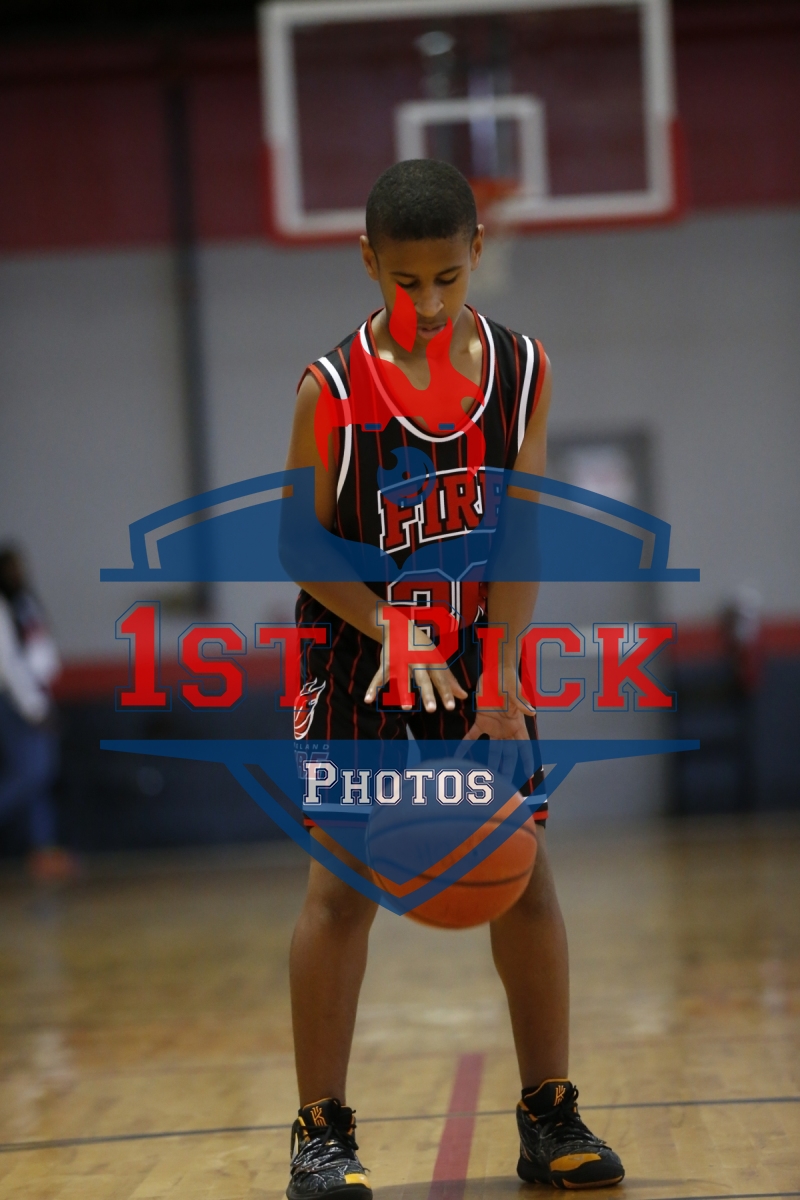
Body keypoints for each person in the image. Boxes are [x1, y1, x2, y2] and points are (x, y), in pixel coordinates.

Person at [282, 161, 624, 1196]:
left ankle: (548, 1113)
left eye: (445, 277)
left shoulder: (522, 369)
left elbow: (520, 532)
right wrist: (389, 626)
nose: (427, 301)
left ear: (478, 251)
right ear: (367, 262)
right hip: (356, 646)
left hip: (475, 651)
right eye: (405, 280)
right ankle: (320, 1133)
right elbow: (300, 543)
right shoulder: (332, 387)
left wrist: (502, 671)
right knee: (342, 889)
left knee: (521, 875)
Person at [0, 546, 77, 881]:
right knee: (29, 773)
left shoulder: (25, 602)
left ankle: (41, 849)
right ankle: (40, 845)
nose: (17, 573)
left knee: (41, 777)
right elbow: (8, 665)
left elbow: (40, 650)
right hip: (14, 701)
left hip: (38, 696)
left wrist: (43, 699)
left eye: (20, 567)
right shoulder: (2, 606)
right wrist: (33, 708)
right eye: (10, 568)